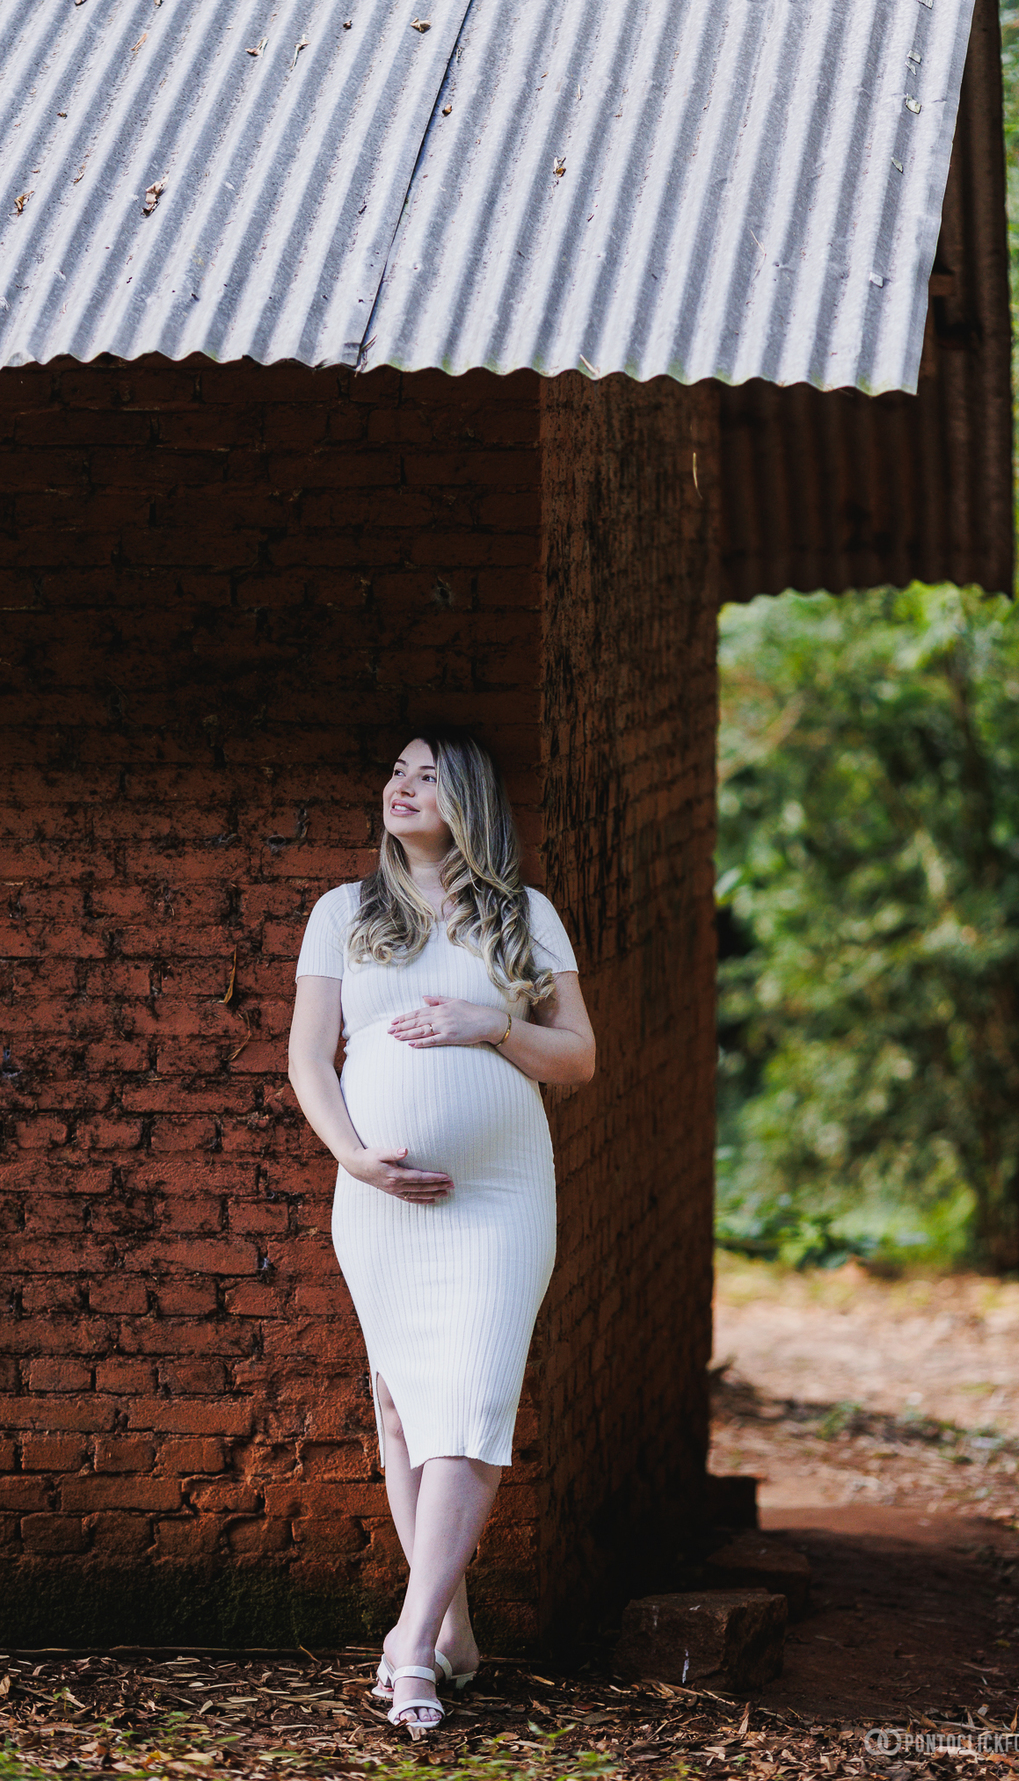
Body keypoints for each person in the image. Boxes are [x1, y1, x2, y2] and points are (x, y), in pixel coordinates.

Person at [287, 729, 595, 1736]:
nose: (402, 788)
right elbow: (309, 1063)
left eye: (427, 776)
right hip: (379, 1197)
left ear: (468, 800)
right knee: (407, 1409)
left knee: (473, 1397)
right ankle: (452, 1626)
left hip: (501, 1195)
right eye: (396, 772)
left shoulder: (524, 916)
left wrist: (492, 1026)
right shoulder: (345, 912)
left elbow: (578, 1059)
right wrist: (354, 1157)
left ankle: (407, 1647)